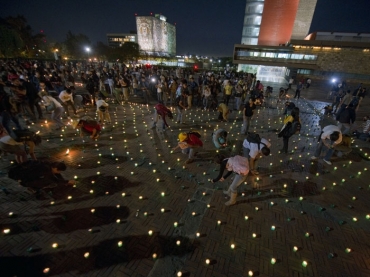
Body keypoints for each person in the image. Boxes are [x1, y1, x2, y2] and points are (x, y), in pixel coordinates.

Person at [8, 161, 76, 194]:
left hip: (23, 173)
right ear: (55, 168)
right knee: (46, 182)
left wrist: (64, 181)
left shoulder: (48, 164)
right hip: (25, 180)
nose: (60, 173)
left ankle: (32, 185)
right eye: (60, 171)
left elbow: (56, 175)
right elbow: (55, 179)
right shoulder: (46, 171)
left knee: (46, 179)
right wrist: (67, 182)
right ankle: (33, 188)